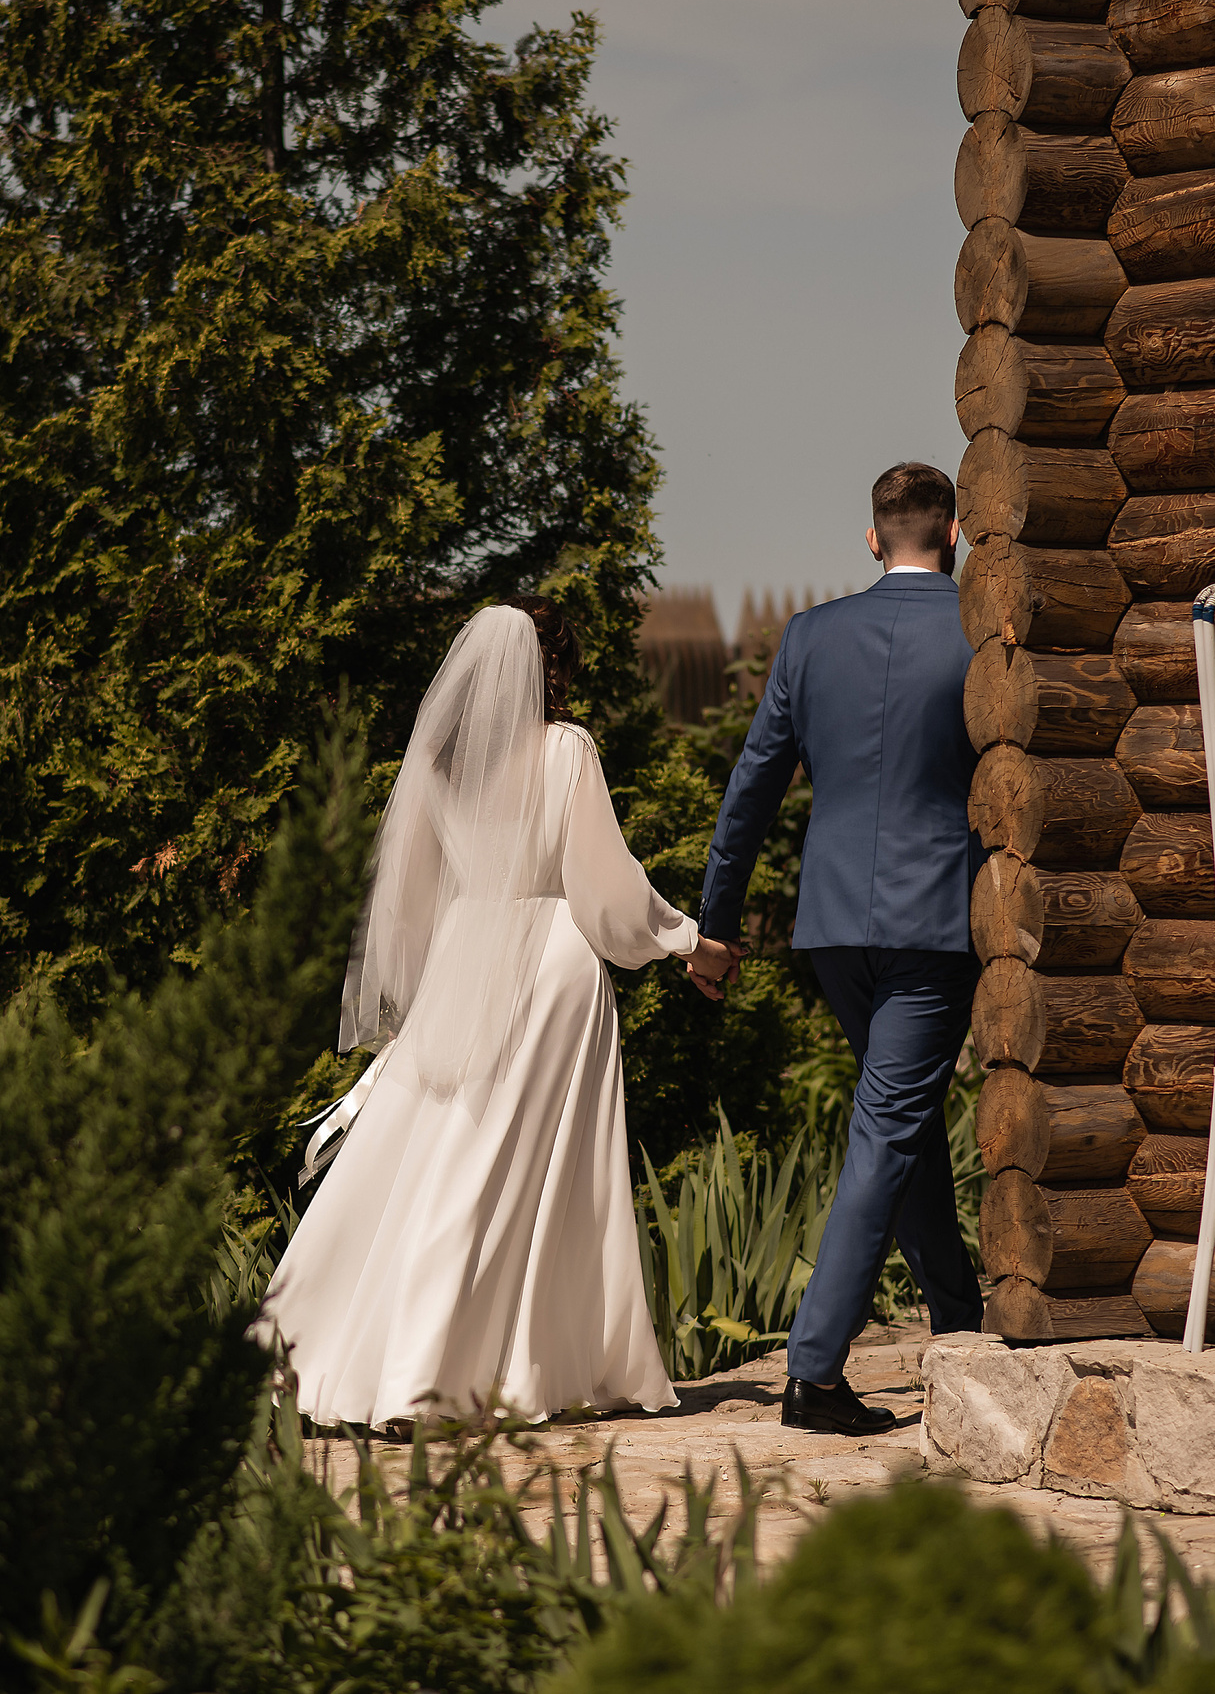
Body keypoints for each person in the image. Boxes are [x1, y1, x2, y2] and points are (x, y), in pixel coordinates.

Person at [260, 598, 731, 1427]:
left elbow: (405, 903)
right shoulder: (567, 749)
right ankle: (445, 1376)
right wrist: (687, 940)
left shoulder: (439, 766)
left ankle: (325, 1351)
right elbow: (608, 891)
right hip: (552, 963)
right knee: (529, 1179)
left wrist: (422, 992)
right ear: (556, 667)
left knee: (426, 1159)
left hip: (462, 956)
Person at [683, 461, 985, 1435]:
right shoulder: (980, 629)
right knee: (890, 1124)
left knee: (902, 1118)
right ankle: (813, 1373)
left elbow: (751, 788)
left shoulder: (810, 636)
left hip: (829, 930)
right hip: (933, 920)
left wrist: (714, 926)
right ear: (955, 536)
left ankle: (959, 1315)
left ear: (870, 539)